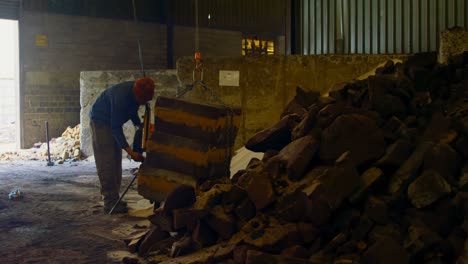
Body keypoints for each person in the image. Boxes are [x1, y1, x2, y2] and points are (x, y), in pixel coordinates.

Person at [89, 77, 155, 213]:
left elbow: (132, 111)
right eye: (142, 101)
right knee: (107, 160)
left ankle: (115, 198)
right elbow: (115, 127)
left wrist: (140, 125)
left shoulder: (135, 93)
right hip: (101, 122)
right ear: (137, 94)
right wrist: (131, 153)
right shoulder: (120, 98)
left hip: (111, 122)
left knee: (116, 159)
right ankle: (109, 201)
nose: (143, 104)